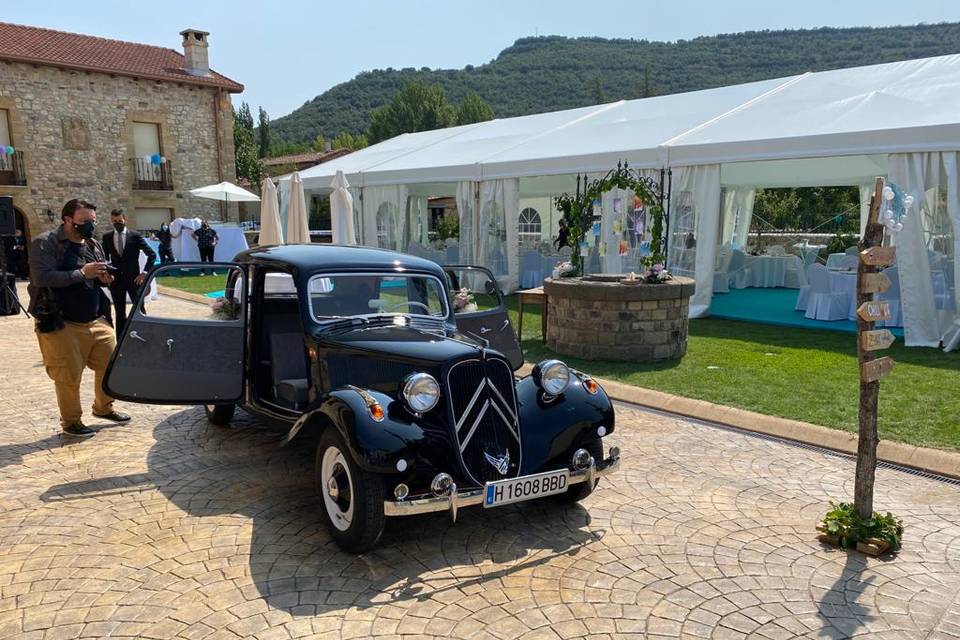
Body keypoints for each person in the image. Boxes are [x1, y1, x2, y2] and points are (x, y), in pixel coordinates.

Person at [27, 199, 130, 438]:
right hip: (60, 321)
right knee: (68, 375)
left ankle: (103, 408)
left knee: (111, 366)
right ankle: (71, 422)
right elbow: (42, 277)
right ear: (67, 220)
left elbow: (98, 274)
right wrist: (83, 273)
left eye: (92, 221)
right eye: (84, 221)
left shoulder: (93, 243)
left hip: (96, 319)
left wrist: (104, 278)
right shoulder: (46, 243)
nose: (90, 226)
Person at [103, 209, 156, 334]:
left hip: (134, 279)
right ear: (111, 220)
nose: (117, 223)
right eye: (115, 221)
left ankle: (144, 334)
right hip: (116, 281)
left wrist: (144, 272)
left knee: (139, 309)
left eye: (120, 221)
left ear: (125, 220)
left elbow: (152, 254)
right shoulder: (107, 237)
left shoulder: (135, 236)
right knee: (119, 312)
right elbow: (105, 258)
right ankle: (120, 341)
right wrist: (107, 273)